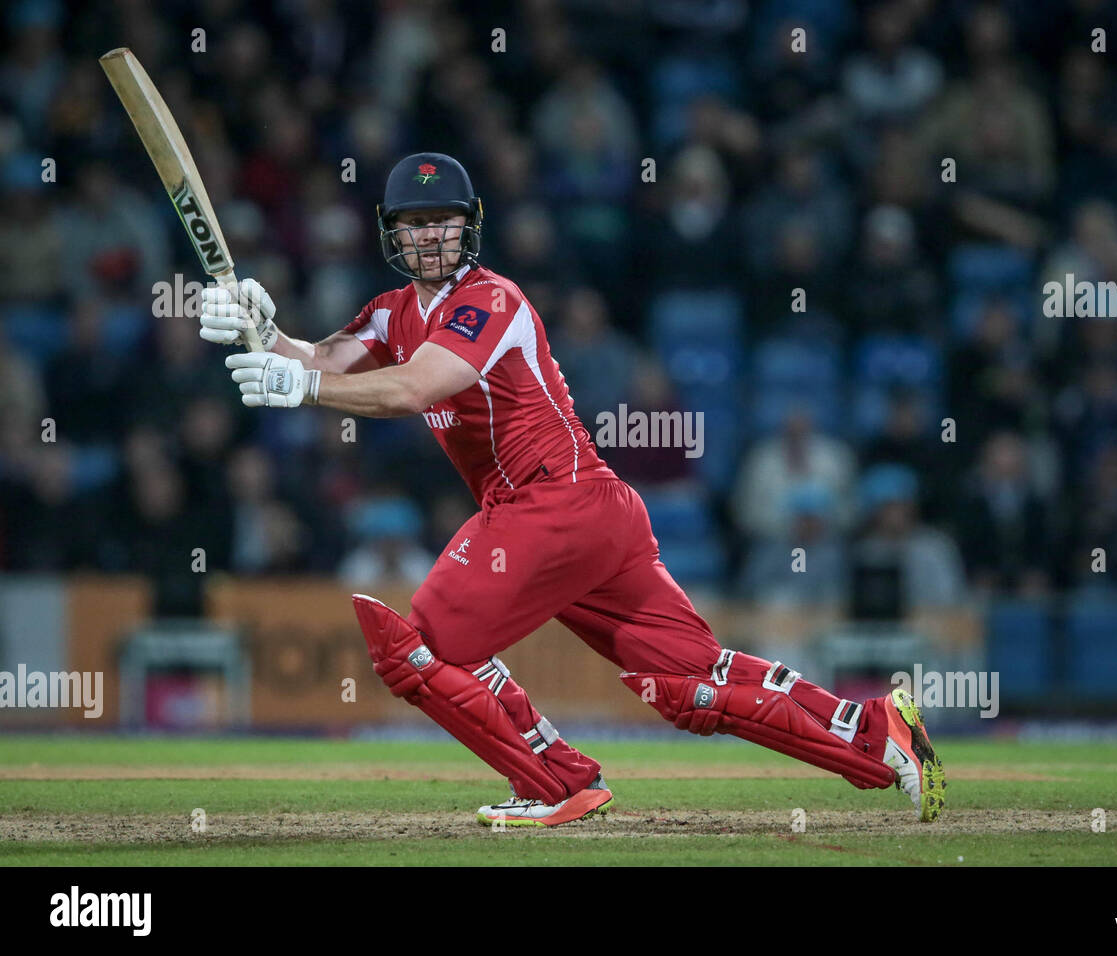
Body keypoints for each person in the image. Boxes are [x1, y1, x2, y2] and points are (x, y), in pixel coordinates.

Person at [199, 152, 945, 826]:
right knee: (688, 685)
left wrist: (299, 384)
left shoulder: (488, 301)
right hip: (592, 516)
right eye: (415, 224)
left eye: (445, 223)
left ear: (470, 229)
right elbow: (322, 356)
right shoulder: (392, 312)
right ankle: (879, 732)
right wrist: (262, 328)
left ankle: (556, 782)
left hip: (550, 505)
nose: (431, 238)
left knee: (420, 649)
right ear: (392, 232)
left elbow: (410, 388)